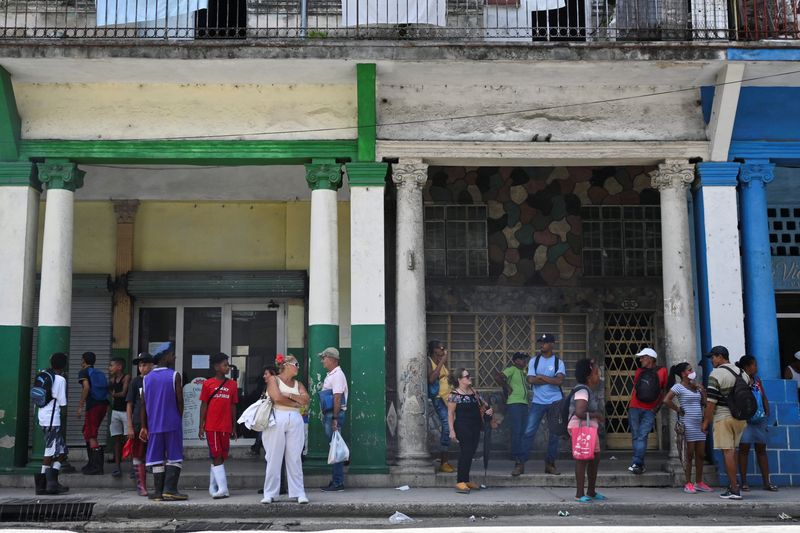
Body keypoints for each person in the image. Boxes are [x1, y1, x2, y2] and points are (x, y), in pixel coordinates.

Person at [140, 342, 187, 501]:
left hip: (154, 425)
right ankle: (171, 489)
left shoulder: (146, 379)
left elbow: (143, 405)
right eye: (172, 354)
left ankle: (158, 492)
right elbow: (180, 401)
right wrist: (179, 417)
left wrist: (145, 426)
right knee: (174, 455)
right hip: (172, 422)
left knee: (156, 457)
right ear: (165, 356)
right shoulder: (174, 375)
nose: (174, 357)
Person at [703, 345, 750, 500]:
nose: (711, 360)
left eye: (713, 357)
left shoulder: (716, 374)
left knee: (727, 452)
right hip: (741, 419)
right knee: (733, 451)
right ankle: (732, 485)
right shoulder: (743, 373)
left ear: (720, 356)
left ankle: (735, 489)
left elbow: (711, 402)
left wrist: (706, 422)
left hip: (723, 418)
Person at [261, 354, 310, 504]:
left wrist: (288, 395)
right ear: (287, 365)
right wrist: (296, 402)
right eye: (296, 364)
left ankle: (299, 492)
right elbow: (277, 398)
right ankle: (269, 493)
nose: (298, 367)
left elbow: (306, 399)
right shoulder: (273, 380)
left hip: (295, 419)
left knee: (295, 457)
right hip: (277, 417)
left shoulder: (298, 383)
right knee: (273, 456)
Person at [515, 333, 564, 476]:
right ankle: (520, 464)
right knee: (528, 432)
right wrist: (550, 379)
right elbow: (530, 380)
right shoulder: (534, 361)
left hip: (555, 401)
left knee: (554, 434)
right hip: (538, 402)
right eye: (540, 342)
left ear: (552, 344)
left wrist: (541, 377)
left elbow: (559, 381)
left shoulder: (558, 362)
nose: (541, 345)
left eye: (544, 342)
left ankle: (550, 464)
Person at [663, 361, 711, 493]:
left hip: (698, 423)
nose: (692, 372)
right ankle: (688, 482)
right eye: (689, 370)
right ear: (683, 374)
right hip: (687, 424)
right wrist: (678, 409)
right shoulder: (678, 387)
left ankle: (699, 482)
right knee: (689, 455)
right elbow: (666, 400)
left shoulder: (696, 386)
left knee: (700, 454)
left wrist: (702, 391)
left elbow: (704, 403)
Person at [199, 352, 239, 499]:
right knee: (216, 455)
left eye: (228, 364)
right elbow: (203, 405)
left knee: (221, 456)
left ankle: (213, 485)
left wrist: (234, 427)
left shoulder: (232, 384)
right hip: (212, 426)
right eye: (224, 365)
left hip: (226, 425)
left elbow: (233, 406)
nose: (227, 367)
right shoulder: (208, 383)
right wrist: (201, 426)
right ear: (216, 367)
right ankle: (223, 488)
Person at [736, 355, 778, 492]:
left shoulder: (757, 380)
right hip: (745, 421)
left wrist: (767, 412)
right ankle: (744, 482)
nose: (756, 367)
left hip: (759, 419)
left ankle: (767, 482)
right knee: (744, 450)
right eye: (754, 365)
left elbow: (763, 396)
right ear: (747, 367)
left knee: (761, 450)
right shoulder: (740, 380)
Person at [447, 368, 492, 493]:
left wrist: (489, 410)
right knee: (465, 452)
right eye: (467, 376)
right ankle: (460, 482)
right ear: (459, 380)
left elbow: (485, 405)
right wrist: (452, 431)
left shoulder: (474, 392)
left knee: (471, 452)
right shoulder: (454, 395)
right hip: (462, 426)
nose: (470, 378)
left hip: (475, 426)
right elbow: (450, 414)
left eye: (469, 376)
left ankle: (466, 480)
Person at [568, 359, 605, 502]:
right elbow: (579, 412)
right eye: (596, 373)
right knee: (582, 459)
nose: (598, 376)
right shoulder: (583, 390)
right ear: (589, 375)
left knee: (595, 458)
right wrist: (597, 415)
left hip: (589, 427)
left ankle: (591, 491)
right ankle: (579, 493)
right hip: (581, 427)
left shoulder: (587, 390)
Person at [627, 347, 668, 475]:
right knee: (642, 436)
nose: (640, 360)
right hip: (650, 408)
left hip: (634, 406)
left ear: (650, 358)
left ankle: (637, 463)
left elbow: (635, 388)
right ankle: (638, 463)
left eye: (643, 357)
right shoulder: (663, 371)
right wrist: (658, 407)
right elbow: (664, 390)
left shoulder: (639, 372)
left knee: (637, 436)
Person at [34, 352, 69, 495]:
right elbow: (62, 402)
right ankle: (43, 484)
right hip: (52, 419)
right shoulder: (60, 379)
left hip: (42, 416)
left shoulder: (43, 375)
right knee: (50, 450)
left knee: (62, 451)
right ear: (64, 365)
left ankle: (52, 481)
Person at [319, 347, 349, 492]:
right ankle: (336, 481)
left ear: (332, 359)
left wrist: (335, 418)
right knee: (334, 448)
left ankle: (338, 483)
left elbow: (337, 397)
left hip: (333, 414)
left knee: (335, 449)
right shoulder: (333, 374)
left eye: (324, 358)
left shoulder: (337, 375)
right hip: (330, 414)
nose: (322, 361)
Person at [126, 353, 154, 497]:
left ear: (151, 366)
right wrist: (129, 425)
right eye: (140, 365)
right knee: (138, 454)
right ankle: (141, 486)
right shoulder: (135, 382)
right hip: (138, 423)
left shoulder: (156, 380)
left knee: (155, 454)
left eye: (144, 365)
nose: (141, 368)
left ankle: (157, 484)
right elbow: (129, 404)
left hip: (154, 422)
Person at [77, 351, 109, 476]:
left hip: (93, 405)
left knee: (91, 434)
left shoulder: (84, 372)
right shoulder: (98, 373)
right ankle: (91, 463)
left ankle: (96, 466)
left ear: (84, 360)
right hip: (103, 404)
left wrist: (80, 406)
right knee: (87, 430)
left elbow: (86, 387)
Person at [495, 352, 529, 466]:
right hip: (515, 403)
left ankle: (521, 453)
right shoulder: (512, 369)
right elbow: (498, 377)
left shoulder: (523, 372)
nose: (525, 361)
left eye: (525, 359)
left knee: (523, 430)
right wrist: (507, 386)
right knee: (517, 430)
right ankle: (515, 454)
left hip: (524, 403)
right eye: (522, 359)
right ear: (516, 361)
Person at [427, 340, 454, 473]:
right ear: (433, 350)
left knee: (450, 427)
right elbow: (431, 379)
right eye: (439, 349)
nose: (442, 351)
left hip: (447, 398)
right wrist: (442, 361)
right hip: (438, 399)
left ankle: (444, 459)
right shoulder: (429, 361)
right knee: (447, 427)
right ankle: (443, 461)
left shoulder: (441, 362)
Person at [108, 357, 131, 478]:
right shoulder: (112, 380)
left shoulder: (126, 377)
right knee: (117, 439)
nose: (109, 368)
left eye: (112, 365)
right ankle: (117, 466)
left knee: (130, 438)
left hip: (125, 411)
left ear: (119, 367)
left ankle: (134, 466)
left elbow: (123, 393)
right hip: (116, 411)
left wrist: (113, 395)